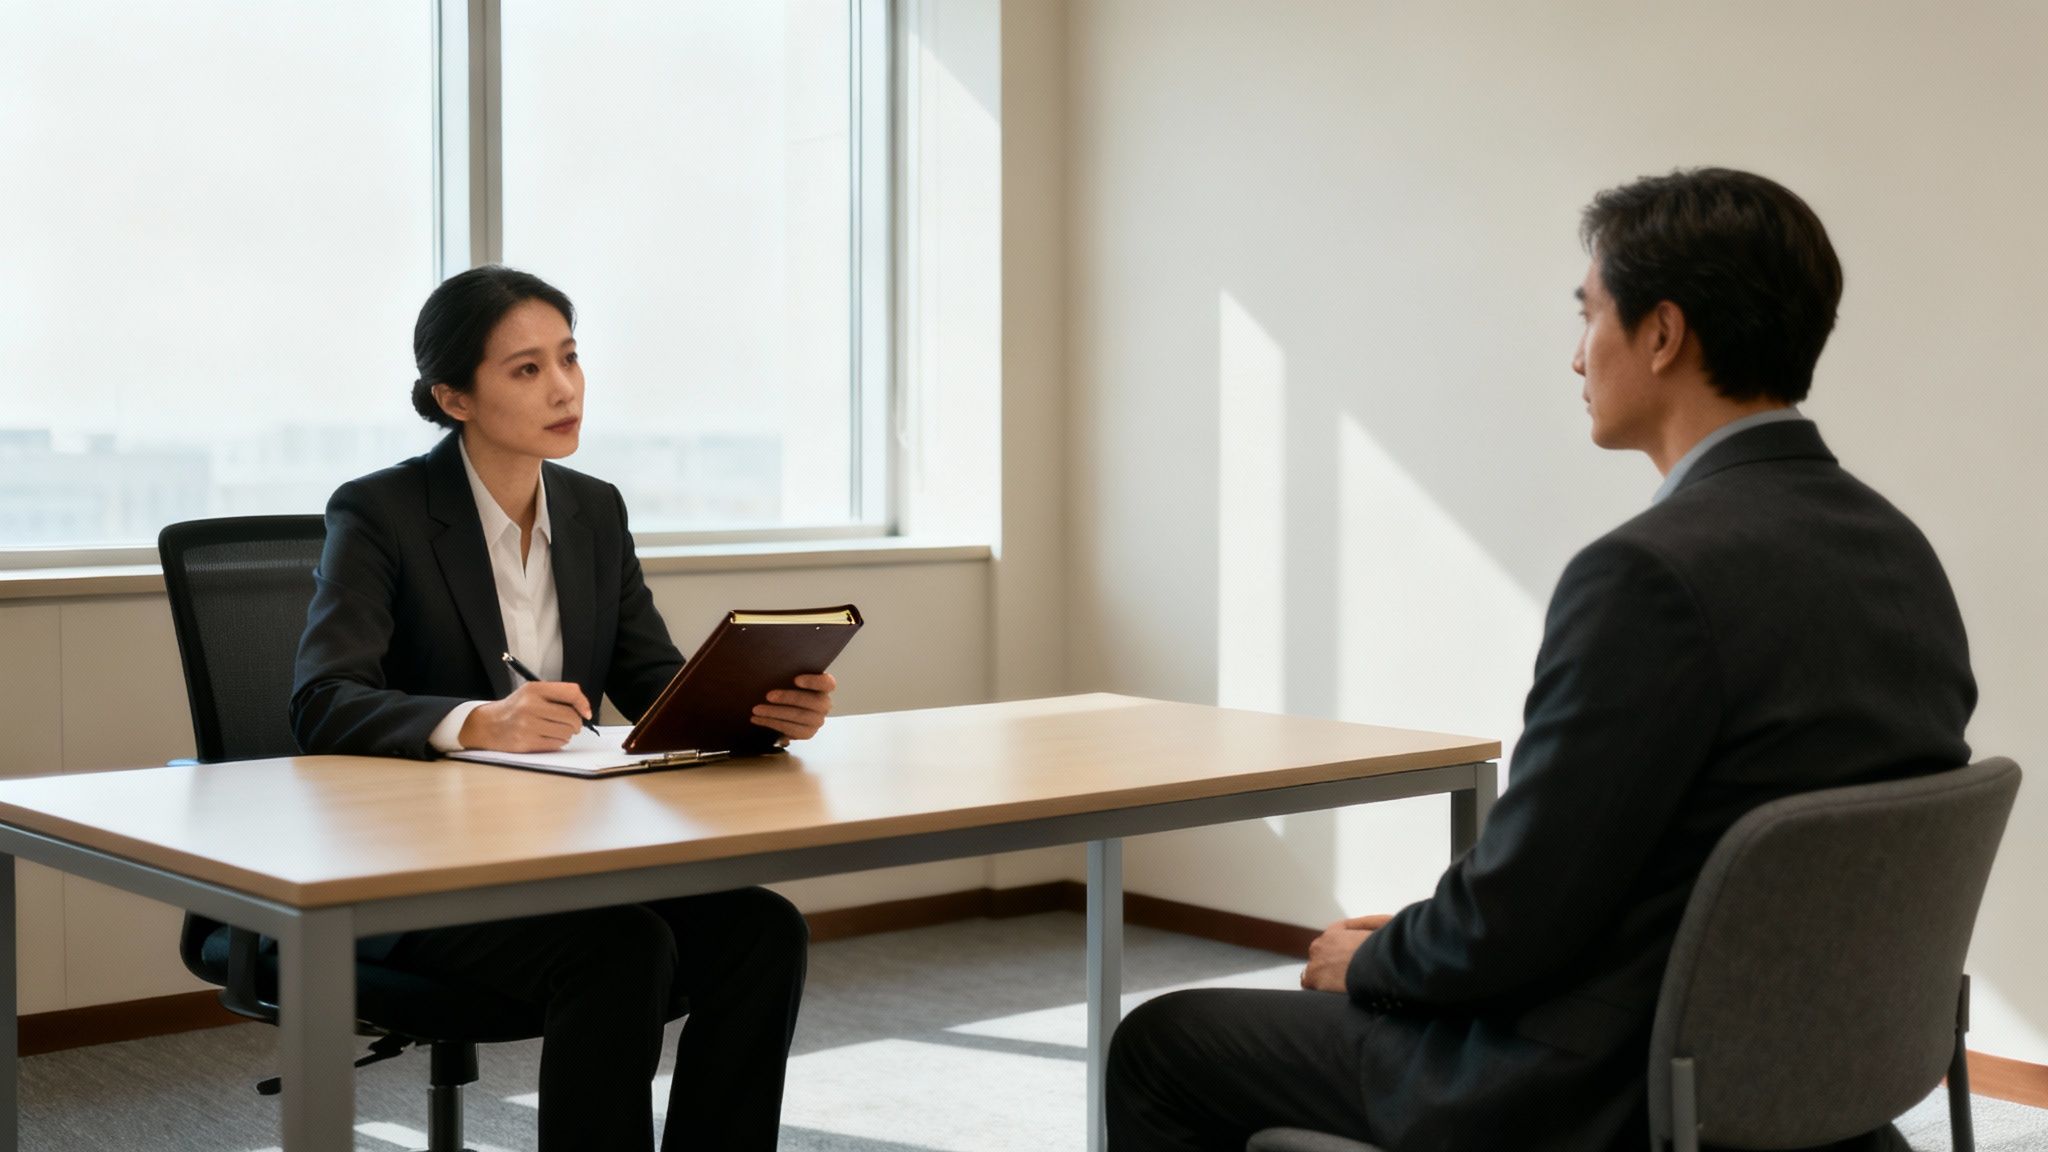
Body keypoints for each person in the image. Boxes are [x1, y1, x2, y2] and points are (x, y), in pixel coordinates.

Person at [1105, 168, 1975, 1151]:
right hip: (1804, 1080)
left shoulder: (1648, 577)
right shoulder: (1898, 553)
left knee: (1161, 1046)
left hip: (1600, 1090)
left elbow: (1515, 920)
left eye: (1589, 313)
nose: (1575, 355)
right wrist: (1425, 934)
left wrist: (1377, 962)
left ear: (1661, 334)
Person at [291, 265, 832, 1151]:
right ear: (454, 398)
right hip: (416, 874)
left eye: (570, 358)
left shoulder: (593, 510)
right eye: (527, 368)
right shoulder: (382, 511)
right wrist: (479, 721)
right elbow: (323, 699)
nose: (564, 388)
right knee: (621, 950)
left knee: (764, 931)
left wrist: (760, 710)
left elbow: (656, 684)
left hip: (563, 859)